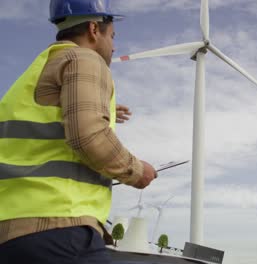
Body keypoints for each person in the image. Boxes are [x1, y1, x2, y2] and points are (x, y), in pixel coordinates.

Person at [0, 0, 157, 263]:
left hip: (13, 232)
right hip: (60, 226)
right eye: (113, 36)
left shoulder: (34, 73)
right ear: (94, 29)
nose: (115, 47)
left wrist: (98, 105)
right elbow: (88, 136)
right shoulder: (84, 58)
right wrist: (137, 171)